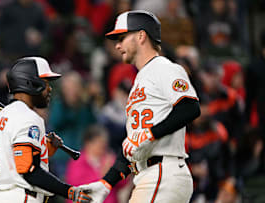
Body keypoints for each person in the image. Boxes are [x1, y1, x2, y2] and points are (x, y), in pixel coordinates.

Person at [80, 10, 201, 203]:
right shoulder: (139, 80)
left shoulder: (164, 68)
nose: (117, 45)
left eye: (122, 38)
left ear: (141, 35)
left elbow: (190, 108)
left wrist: (150, 133)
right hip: (149, 173)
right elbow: (133, 144)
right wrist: (106, 183)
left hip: (162, 171)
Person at [0, 56, 91, 203]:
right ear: (31, 83)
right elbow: (29, 171)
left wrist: (44, 149)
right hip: (23, 197)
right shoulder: (28, 117)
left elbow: (15, 161)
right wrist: (69, 191)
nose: (50, 88)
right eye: (45, 83)